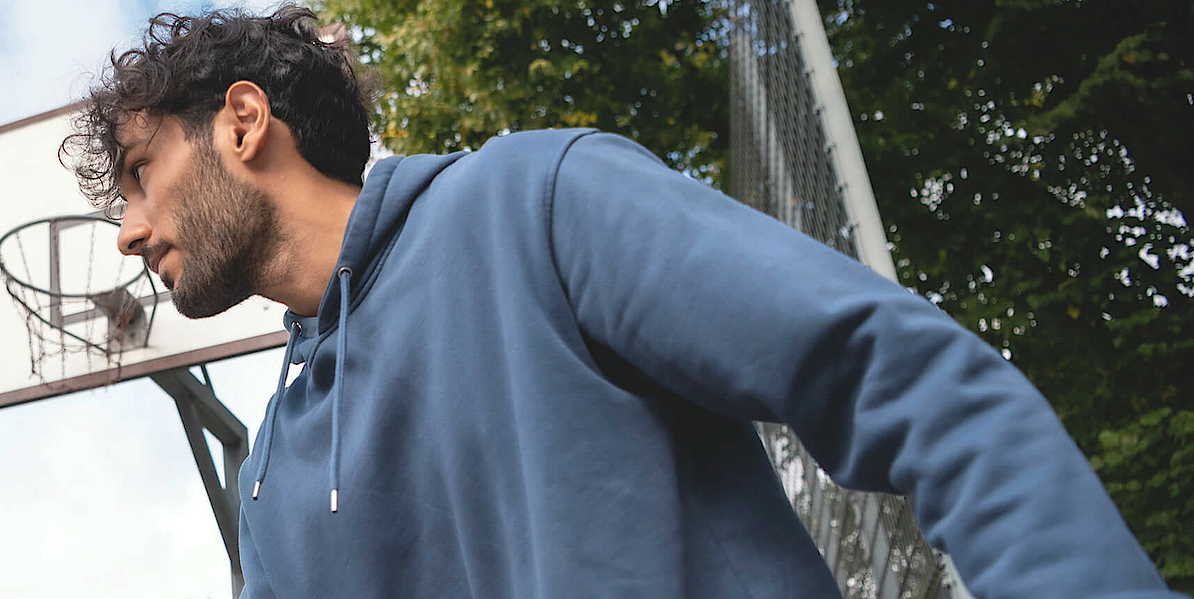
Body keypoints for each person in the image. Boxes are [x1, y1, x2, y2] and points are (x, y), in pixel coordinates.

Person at [61, 6, 1183, 598]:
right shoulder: (269, 482)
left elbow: (902, 377)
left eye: (144, 171)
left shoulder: (531, 202)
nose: (128, 230)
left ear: (245, 123)